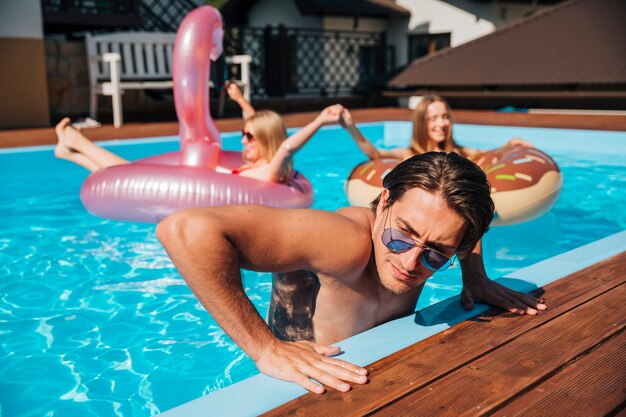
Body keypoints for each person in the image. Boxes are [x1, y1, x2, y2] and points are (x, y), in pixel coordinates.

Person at [156, 152, 547, 394]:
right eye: (401, 236)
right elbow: (184, 231)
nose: (410, 263)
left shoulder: (441, 236)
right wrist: (264, 348)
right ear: (385, 201)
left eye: (435, 254)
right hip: (292, 389)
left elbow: (466, 232)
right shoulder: (341, 241)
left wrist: (474, 276)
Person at [54, 102, 344, 183]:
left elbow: (286, 146)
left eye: (249, 137)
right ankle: (70, 153)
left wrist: (319, 120)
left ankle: (77, 142)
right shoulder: (253, 163)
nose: (242, 141)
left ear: (266, 140)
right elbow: (257, 121)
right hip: (192, 180)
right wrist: (241, 102)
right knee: (125, 172)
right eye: (242, 134)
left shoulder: (273, 171)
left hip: (189, 187)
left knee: (126, 171)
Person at [339, 95, 533, 162]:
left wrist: (509, 145)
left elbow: (489, 155)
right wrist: (350, 127)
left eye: (445, 117)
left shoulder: (459, 152)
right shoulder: (409, 154)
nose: (441, 124)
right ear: (422, 124)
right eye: (433, 119)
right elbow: (375, 154)